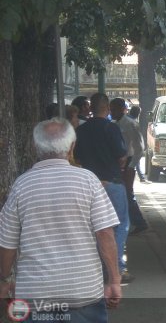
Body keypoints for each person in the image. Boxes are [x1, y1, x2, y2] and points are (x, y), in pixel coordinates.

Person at [0, 118, 121, 322]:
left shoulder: (21, 186)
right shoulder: (88, 180)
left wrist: (4, 279)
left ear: (35, 146)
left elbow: (7, 243)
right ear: (72, 146)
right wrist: (114, 280)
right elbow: (105, 233)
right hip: (83, 292)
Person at [74, 93, 132, 283]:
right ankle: (117, 267)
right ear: (107, 108)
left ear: (90, 108)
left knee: (92, 228)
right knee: (119, 226)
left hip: (89, 184)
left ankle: (96, 267)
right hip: (112, 182)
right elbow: (121, 154)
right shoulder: (111, 128)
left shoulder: (81, 130)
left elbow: (78, 157)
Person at [110, 98, 149, 235]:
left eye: (114, 109)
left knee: (127, 192)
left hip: (129, 161)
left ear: (122, 109)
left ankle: (139, 221)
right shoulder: (114, 124)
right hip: (118, 161)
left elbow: (140, 147)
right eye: (111, 109)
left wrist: (131, 166)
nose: (112, 112)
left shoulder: (131, 124)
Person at [127, 105, 149, 183]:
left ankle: (141, 177)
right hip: (131, 147)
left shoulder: (129, 120)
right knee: (135, 162)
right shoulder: (133, 122)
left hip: (130, 147)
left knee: (136, 162)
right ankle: (141, 178)